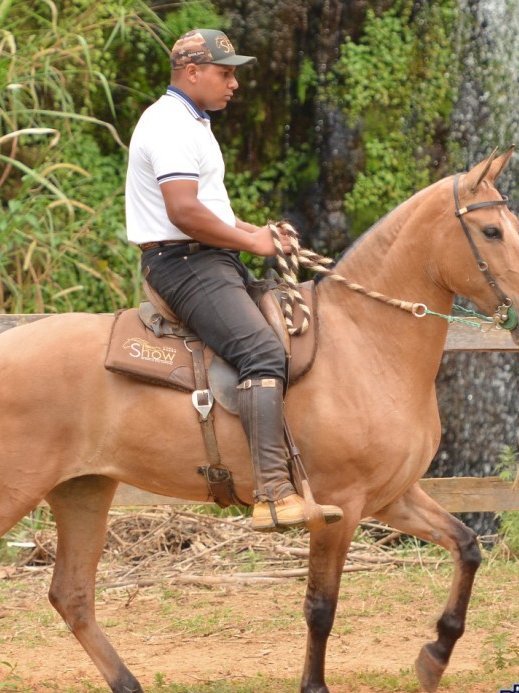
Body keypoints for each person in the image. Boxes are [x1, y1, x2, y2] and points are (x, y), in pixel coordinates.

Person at [124, 28, 342, 532]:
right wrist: (255, 244)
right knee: (262, 353)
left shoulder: (191, 122)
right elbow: (182, 213)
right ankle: (270, 492)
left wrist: (256, 231)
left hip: (206, 258)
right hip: (185, 264)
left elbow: (208, 209)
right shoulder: (169, 125)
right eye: (225, 73)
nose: (234, 84)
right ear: (192, 72)